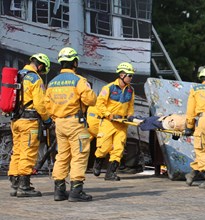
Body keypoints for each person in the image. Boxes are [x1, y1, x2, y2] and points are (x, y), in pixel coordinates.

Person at [45, 47, 97, 202]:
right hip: (75, 123)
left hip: (59, 123)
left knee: (62, 156)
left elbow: (47, 105)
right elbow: (91, 100)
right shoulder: (79, 81)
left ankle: (59, 191)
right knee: (79, 155)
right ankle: (76, 191)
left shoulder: (52, 82)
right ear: (75, 62)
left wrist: (56, 117)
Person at [7, 53, 52, 197]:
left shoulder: (18, 75)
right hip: (29, 122)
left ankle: (15, 183)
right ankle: (24, 186)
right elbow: (40, 104)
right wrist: (47, 120)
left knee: (18, 151)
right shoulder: (35, 79)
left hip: (16, 121)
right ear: (40, 65)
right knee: (28, 151)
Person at [92, 62, 135, 181]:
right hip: (108, 122)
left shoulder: (131, 90)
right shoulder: (108, 88)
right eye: (129, 75)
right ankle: (98, 162)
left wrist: (130, 116)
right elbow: (99, 104)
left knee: (118, 149)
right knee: (104, 147)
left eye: (131, 75)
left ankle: (110, 173)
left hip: (122, 124)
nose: (131, 78)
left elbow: (130, 106)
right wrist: (108, 115)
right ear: (121, 75)